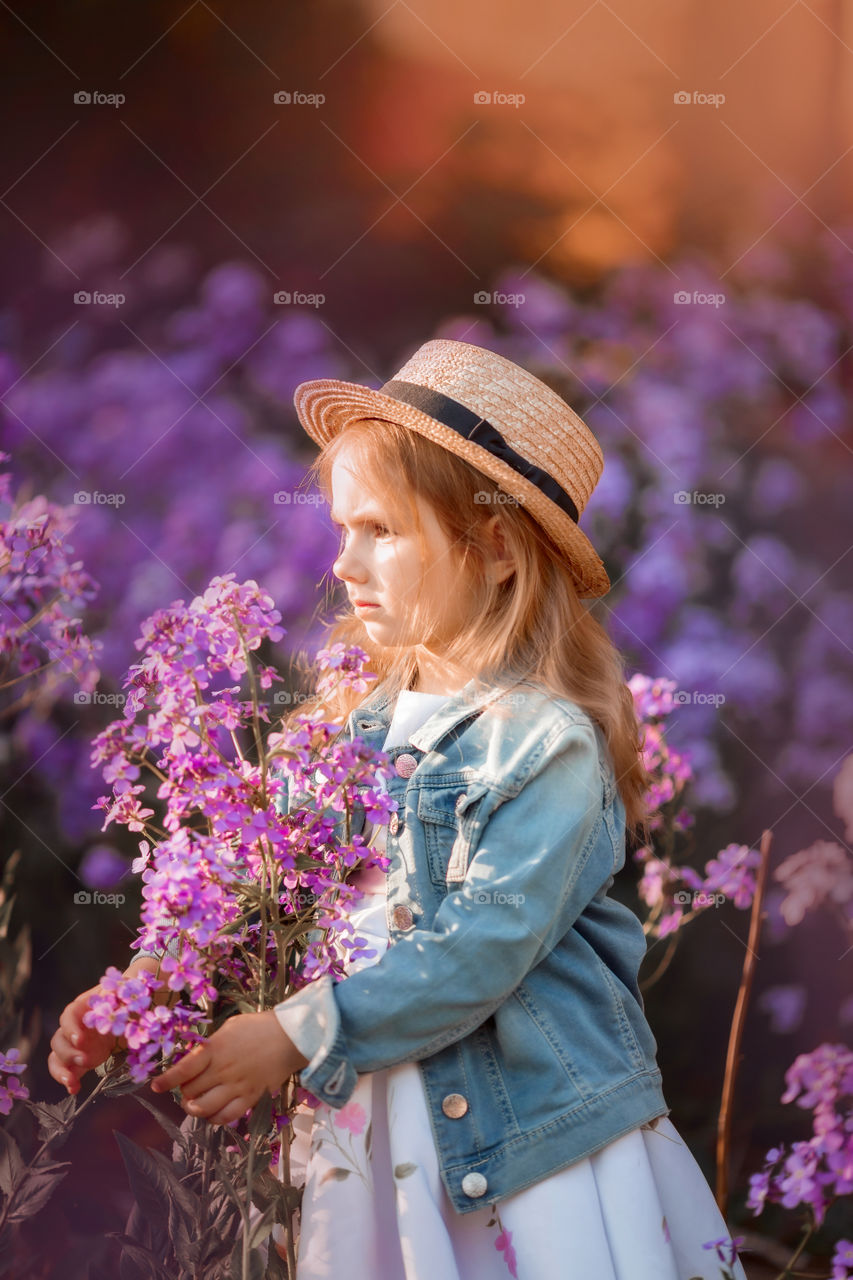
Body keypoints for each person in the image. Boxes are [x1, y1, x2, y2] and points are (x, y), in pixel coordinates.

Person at [48, 339, 748, 1280]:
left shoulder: (545, 746)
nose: (343, 563)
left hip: (531, 1147)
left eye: (380, 530)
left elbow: (481, 948)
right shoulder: (346, 723)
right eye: (341, 530)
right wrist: (141, 990)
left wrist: (296, 1032)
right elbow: (240, 887)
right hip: (372, 1131)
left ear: (495, 548)